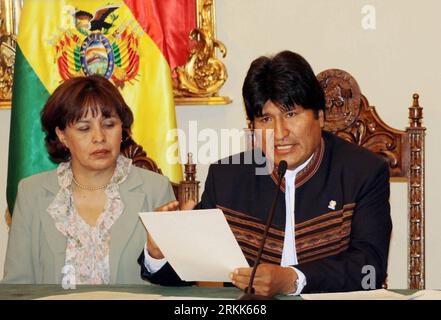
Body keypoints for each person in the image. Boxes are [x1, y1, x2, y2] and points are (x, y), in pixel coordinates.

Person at [139, 51, 392, 296]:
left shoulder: (364, 172)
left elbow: (370, 268)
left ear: (320, 116)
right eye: (266, 120)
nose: (280, 133)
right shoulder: (227, 177)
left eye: (291, 114)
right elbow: (192, 268)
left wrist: (292, 279)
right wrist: (160, 250)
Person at [3, 75, 176, 284]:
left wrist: (159, 256)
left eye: (109, 124)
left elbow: (174, 283)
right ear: (62, 136)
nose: (99, 137)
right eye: (84, 128)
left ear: (123, 129)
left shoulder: (154, 189)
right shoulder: (32, 192)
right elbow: (17, 285)